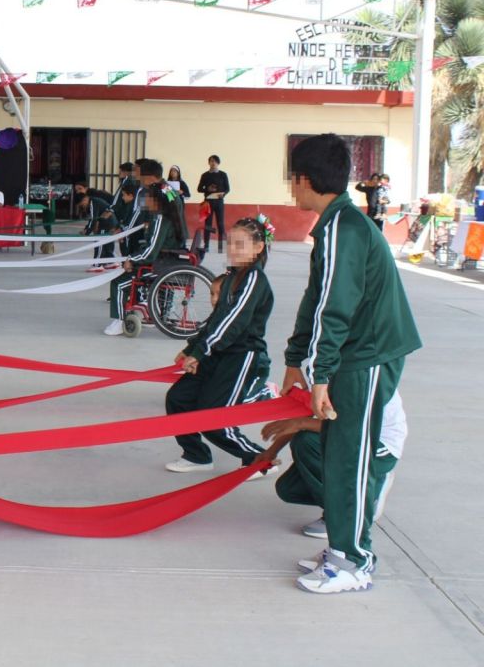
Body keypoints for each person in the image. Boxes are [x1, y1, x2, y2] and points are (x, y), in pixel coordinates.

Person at [282, 133, 421, 594]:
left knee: (352, 458)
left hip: (367, 355)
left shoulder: (345, 228)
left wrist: (318, 373)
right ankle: (342, 551)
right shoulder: (335, 224)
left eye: (292, 179)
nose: (290, 189)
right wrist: (295, 359)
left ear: (305, 179)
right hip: (353, 356)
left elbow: (335, 307)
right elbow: (316, 301)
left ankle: (355, 562)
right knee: (341, 456)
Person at [164, 217, 276, 477]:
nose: (233, 249)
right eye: (230, 243)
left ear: (258, 248)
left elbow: (233, 321)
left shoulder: (254, 280)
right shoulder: (232, 277)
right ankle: (197, 456)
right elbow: (217, 318)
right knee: (178, 399)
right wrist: (193, 347)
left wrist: (201, 352)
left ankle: (260, 460)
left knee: (214, 418)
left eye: (241, 244)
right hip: (218, 352)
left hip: (242, 357)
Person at [259, 390, 407, 543]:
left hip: (377, 447)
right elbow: (307, 414)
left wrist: (301, 424)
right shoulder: (321, 370)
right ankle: (357, 498)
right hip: (349, 436)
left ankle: (348, 515)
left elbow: (352, 428)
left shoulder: (360, 375)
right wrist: (271, 452)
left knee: (307, 442)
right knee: (289, 489)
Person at [104, 181, 184, 336]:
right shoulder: (169, 216)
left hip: (159, 265)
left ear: (156, 201)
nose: (144, 202)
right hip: (165, 260)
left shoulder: (160, 219)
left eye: (147, 198)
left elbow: (151, 252)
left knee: (119, 283)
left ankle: (120, 321)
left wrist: (132, 260)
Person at [75, 187, 117, 270]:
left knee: (99, 241)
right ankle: (110, 261)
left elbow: (93, 219)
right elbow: (92, 219)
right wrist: (87, 228)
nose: (83, 206)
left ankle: (97, 265)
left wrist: (87, 231)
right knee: (107, 242)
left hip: (106, 223)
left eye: (82, 204)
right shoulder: (93, 201)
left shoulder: (92, 203)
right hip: (111, 222)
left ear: (85, 199)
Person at [198, 155, 230, 253]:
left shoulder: (223, 174)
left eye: (215, 161)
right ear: (209, 163)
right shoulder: (205, 175)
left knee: (220, 223)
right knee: (208, 224)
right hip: (208, 202)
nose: (213, 163)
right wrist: (207, 189)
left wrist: (223, 194)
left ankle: (221, 246)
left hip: (219, 202)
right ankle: (206, 245)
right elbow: (199, 189)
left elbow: (228, 189)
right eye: (211, 161)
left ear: (218, 163)